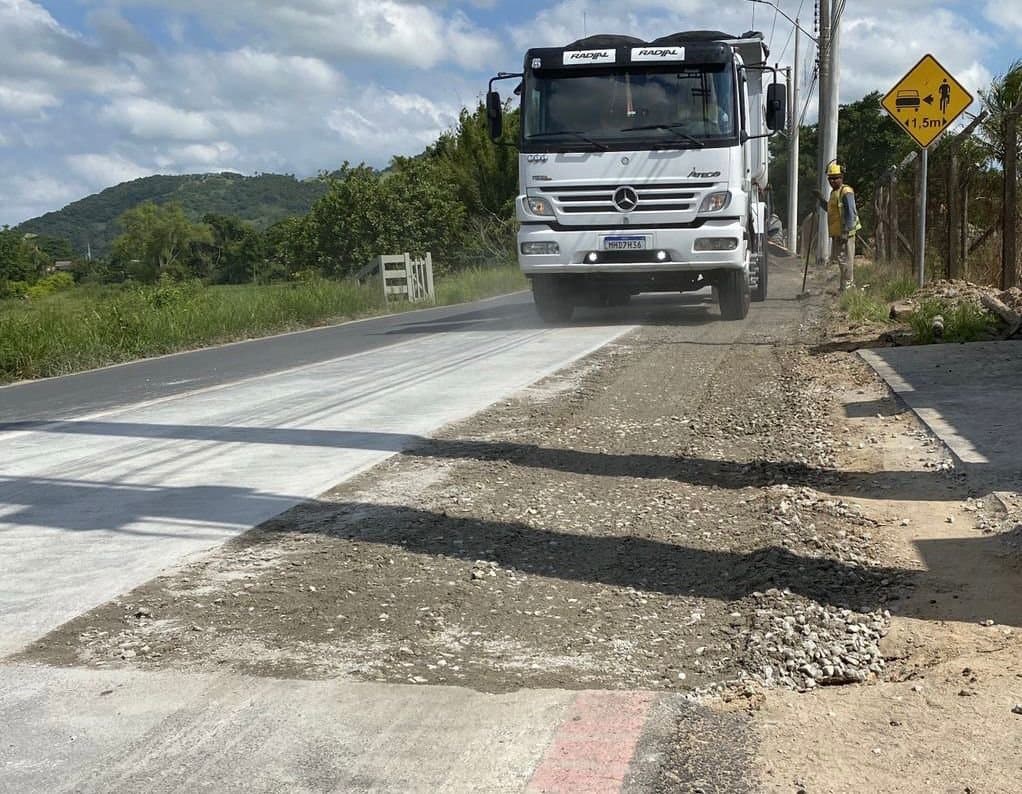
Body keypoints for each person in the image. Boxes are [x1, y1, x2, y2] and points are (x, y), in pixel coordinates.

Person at [816, 162, 860, 291]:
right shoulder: (833, 193)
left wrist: (846, 231)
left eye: (836, 178)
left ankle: (848, 287)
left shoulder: (846, 191)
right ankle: (844, 287)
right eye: (830, 178)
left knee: (846, 260)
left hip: (846, 233)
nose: (833, 181)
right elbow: (830, 210)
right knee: (841, 260)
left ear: (842, 177)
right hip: (837, 233)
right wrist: (820, 199)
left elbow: (851, 212)